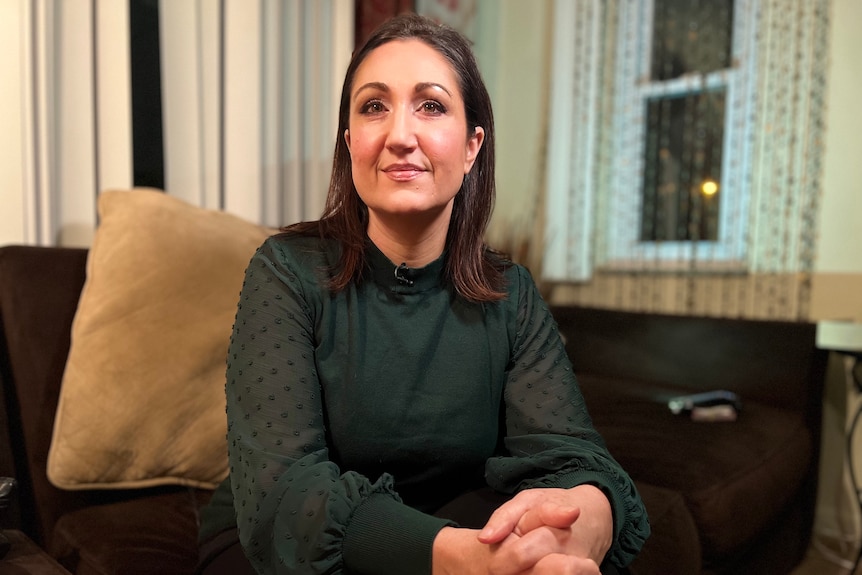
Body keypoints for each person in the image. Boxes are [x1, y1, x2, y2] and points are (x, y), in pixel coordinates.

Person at [197, 12, 649, 575]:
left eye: (431, 106)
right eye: (374, 107)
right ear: (350, 143)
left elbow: (572, 453)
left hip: (454, 521)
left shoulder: (511, 293)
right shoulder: (285, 271)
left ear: (471, 146)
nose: (400, 135)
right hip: (295, 545)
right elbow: (285, 494)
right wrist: (473, 561)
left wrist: (583, 523)